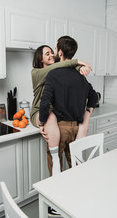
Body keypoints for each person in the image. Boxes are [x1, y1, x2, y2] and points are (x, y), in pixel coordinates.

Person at [39, 36, 98, 175]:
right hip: (78, 128)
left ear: (60, 52)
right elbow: (94, 97)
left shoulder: (52, 74)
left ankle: (57, 195)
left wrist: (42, 121)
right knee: (76, 168)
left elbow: (44, 103)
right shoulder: (80, 76)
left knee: (56, 168)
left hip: (59, 129)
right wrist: (88, 112)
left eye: (55, 49)